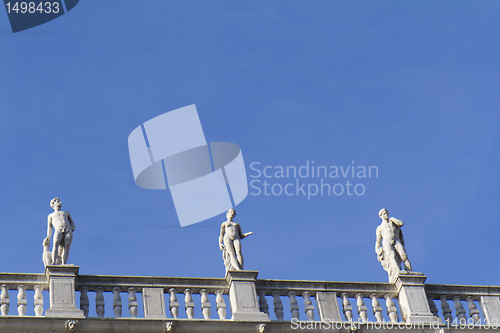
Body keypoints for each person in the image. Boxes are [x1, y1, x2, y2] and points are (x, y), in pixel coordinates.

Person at [375, 208, 412, 281]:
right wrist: (378, 249)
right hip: (386, 241)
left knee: (404, 256)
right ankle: (397, 272)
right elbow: (378, 241)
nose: (386, 215)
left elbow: (401, 223)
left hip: (396, 239)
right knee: (392, 256)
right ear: (381, 216)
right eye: (384, 214)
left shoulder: (393, 222)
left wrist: (393, 219)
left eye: (387, 213)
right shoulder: (380, 228)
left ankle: (410, 272)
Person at [44, 197, 76, 265]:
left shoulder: (66, 213)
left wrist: (72, 227)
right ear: (53, 204)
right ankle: (54, 262)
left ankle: (64, 263)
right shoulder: (51, 215)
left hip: (67, 229)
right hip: (58, 229)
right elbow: (50, 228)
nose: (59, 202)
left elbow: (72, 222)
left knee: (66, 246)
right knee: (56, 244)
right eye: (57, 201)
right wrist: (48, 237)